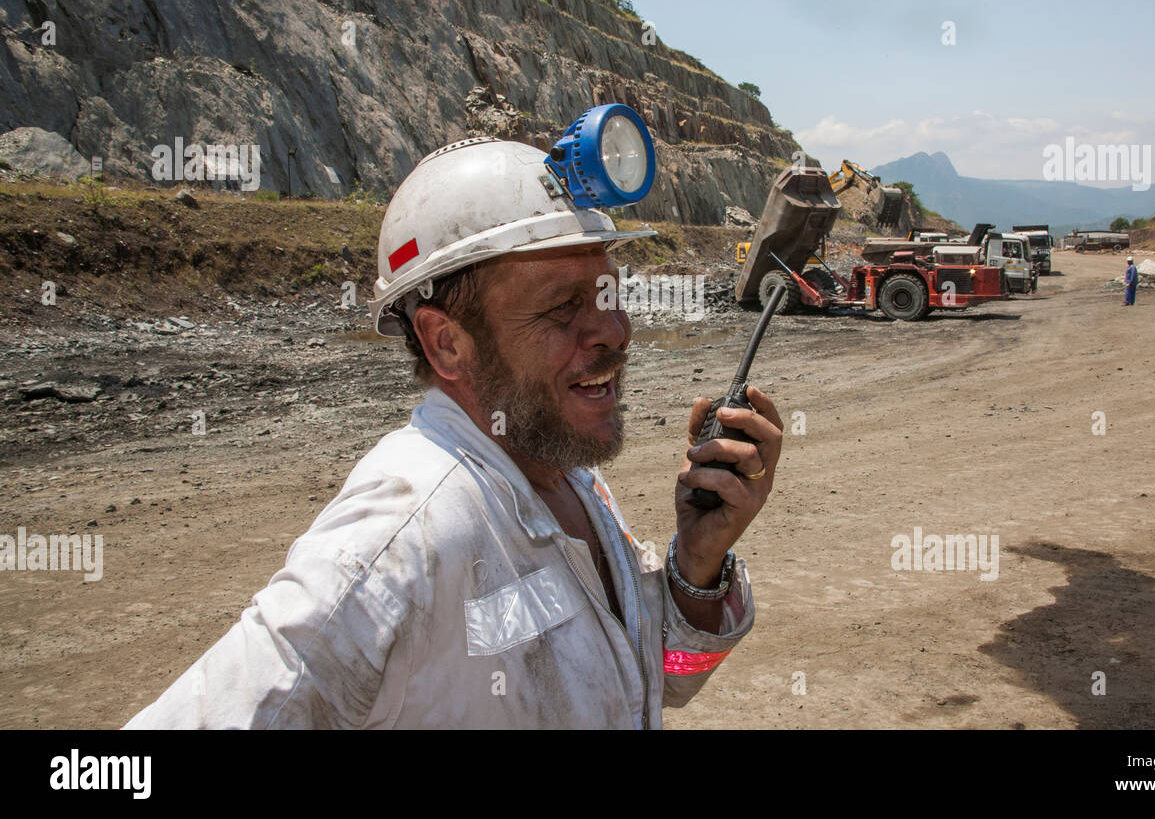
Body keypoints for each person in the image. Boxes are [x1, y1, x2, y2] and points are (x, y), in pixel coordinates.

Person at [123, 136, 781, 728]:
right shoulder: (401, 536)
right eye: (563, 306)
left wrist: (696, 568)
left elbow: (646, 682)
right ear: (447, 343)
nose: (615, 332)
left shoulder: (569, 480)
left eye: (608, 296)